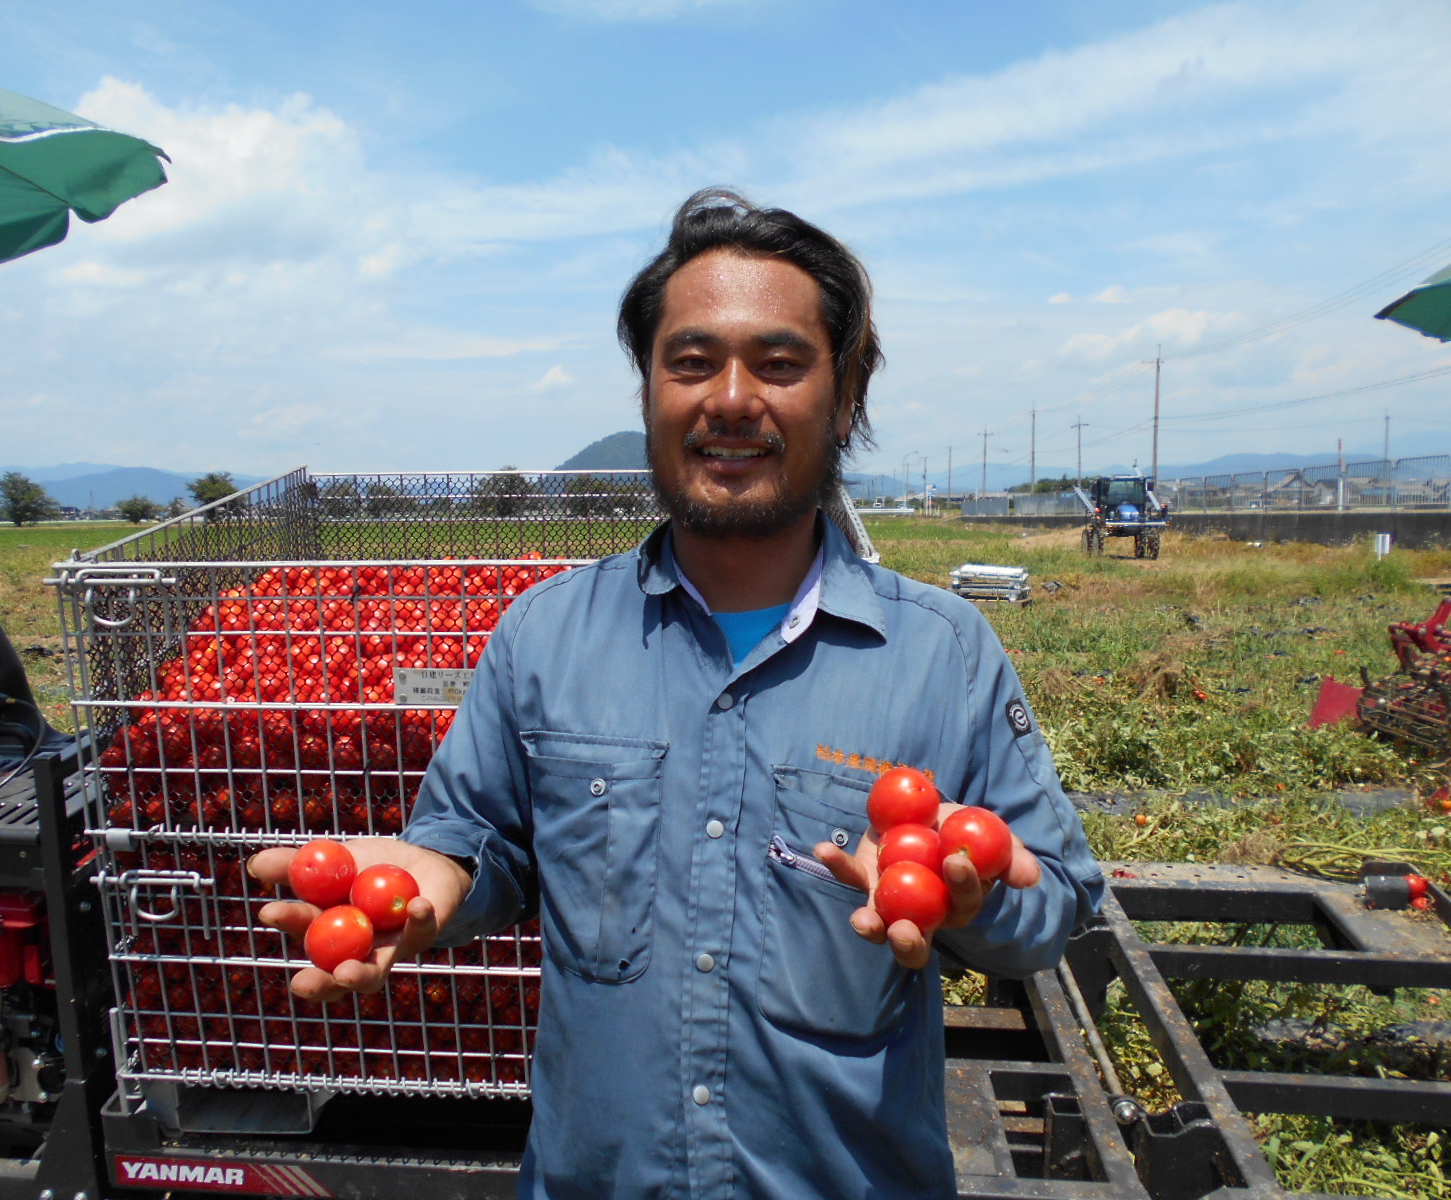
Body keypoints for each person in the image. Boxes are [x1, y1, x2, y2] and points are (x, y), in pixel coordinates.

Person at [252, 187, 1105, 1200]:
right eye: (690, 361)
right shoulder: (546, 634)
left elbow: (1057, 905)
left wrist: (978, 891)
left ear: (846, 397)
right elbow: (478, 841)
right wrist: (438, 885)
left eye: (779, 363)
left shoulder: (941, 653)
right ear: (649, 391)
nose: (731, 398)